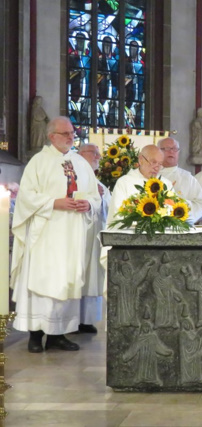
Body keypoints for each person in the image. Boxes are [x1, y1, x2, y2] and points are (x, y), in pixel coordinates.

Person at [10, 116, 101, 353]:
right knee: (44, 280)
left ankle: (57, 335)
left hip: (73, 233)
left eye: (72, 132)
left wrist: (88, 205)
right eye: (65, 133)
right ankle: (35, 335)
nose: (71, 137)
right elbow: (27, 196)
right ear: (52, 136)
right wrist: (54, 203)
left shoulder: (80, 163)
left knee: (67, 280)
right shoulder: (38, 162)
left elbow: (94, 195)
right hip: (46, 233)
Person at [77, 143, 111, 333]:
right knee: (80, 274)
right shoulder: (76, 176)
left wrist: (100, 198)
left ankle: (87, 319)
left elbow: (109, 205)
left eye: (98, 153)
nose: (98, 156)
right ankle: (73, 320)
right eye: (94, 152)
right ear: (81, 155)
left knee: (93, 276)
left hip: (96, 234)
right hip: (81, 234)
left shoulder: (99, 183)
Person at [106, 144, 173, 227]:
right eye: (153, 162)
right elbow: (117, 214)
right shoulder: (124, 182)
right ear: (141, 160)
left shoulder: (166, 184)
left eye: (160, 164)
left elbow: (173, 211)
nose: (156, 168)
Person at [157, 137, 202, 224]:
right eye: (167, 148)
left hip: (180, 226)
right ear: (158, 151)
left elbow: (201, 203)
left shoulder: (188, 178)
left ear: (178, 152)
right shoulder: (151, 174)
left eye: (175, 149)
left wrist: (180, 205)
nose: (171, 151)